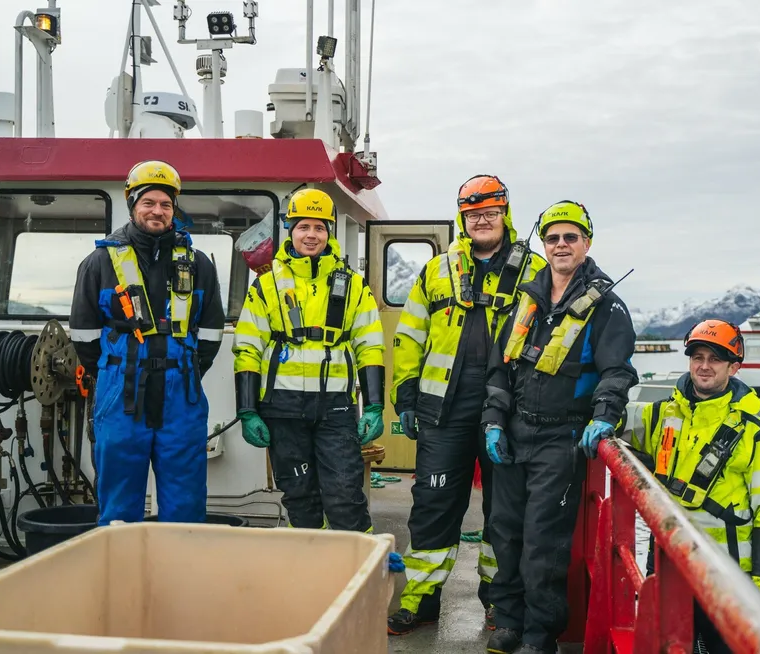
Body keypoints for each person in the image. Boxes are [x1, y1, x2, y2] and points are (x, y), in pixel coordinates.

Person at [387, 174, 547, 635]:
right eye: (473, 214)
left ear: (505, 215)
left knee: (505, 510)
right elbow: (411, 334)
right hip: (444, 408)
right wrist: (406, 393)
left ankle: (499, 603)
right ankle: (420, 601)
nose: (482, 220)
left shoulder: (533, 270)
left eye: (490, 212)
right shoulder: (437, 270)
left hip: (510, 411)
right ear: (462, 219)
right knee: (433, 505)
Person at [481, 201, 638, 654]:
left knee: (543, 542)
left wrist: (605, 413)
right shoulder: (526, 299)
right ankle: (508, 623)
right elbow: (499, 369)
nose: (561, 245)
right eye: (553, 238)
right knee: (504, 531)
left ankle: (539, 635)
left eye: (571, 237)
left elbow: (618, 371)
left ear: (586, 243)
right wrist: (493, 420)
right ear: (543, 246)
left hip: (561, 438)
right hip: (513, 432)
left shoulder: (607, 305)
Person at [69, 160, 225, 526]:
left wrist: (183, 371)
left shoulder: (199, 264)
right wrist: (114, 371)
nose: (158, 211)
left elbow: (211, 333)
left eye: (166, 205)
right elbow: (84, 337)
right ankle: (123, 580)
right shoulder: (98, 263)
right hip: (120, 396)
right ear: (133, 205)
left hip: (182, 398)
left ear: (174, 210)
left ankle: (180, 579)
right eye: (149, 202)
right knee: (119, 506)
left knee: (185, 503)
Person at [231, 188, 385, 532]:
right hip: (282, 408)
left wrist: (374, 406)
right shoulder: (266, 286)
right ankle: (305, 572)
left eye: (319, 227)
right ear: (291, 231)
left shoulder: (354, 287)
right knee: (299, 497)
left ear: (329, 232)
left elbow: (370, 345)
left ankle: (356, 571)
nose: (311, 235)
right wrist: (247, 410)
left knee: (345, 495)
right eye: (303, 227)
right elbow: (247, 348)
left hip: (336, 408)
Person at [632, 319, 760, 654]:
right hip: (668, 563)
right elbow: (613, 419)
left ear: (733, 368)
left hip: (728, 575)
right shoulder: (660, 414)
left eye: (715, 359)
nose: (704, 366)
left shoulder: (757, 435)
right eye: (697, 357)